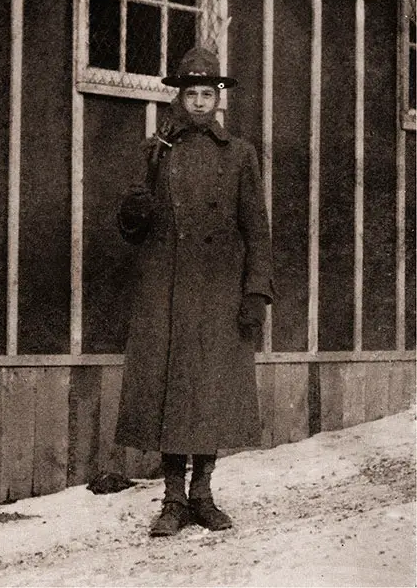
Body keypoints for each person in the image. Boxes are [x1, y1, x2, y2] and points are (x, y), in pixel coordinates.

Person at [115, 47, 274, 537]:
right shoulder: (156, 149)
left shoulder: (240, 154)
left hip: (219, 292)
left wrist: (255, 294)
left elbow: (257, 229)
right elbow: (133, 229)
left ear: (218, 98)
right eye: (192, 94)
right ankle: (172, 499)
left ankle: (203, 493)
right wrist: (134, 211)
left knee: (211, 392)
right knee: (168, 390)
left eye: (208, 93)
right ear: (179, 98)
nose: (200, 102)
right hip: (166, 291)